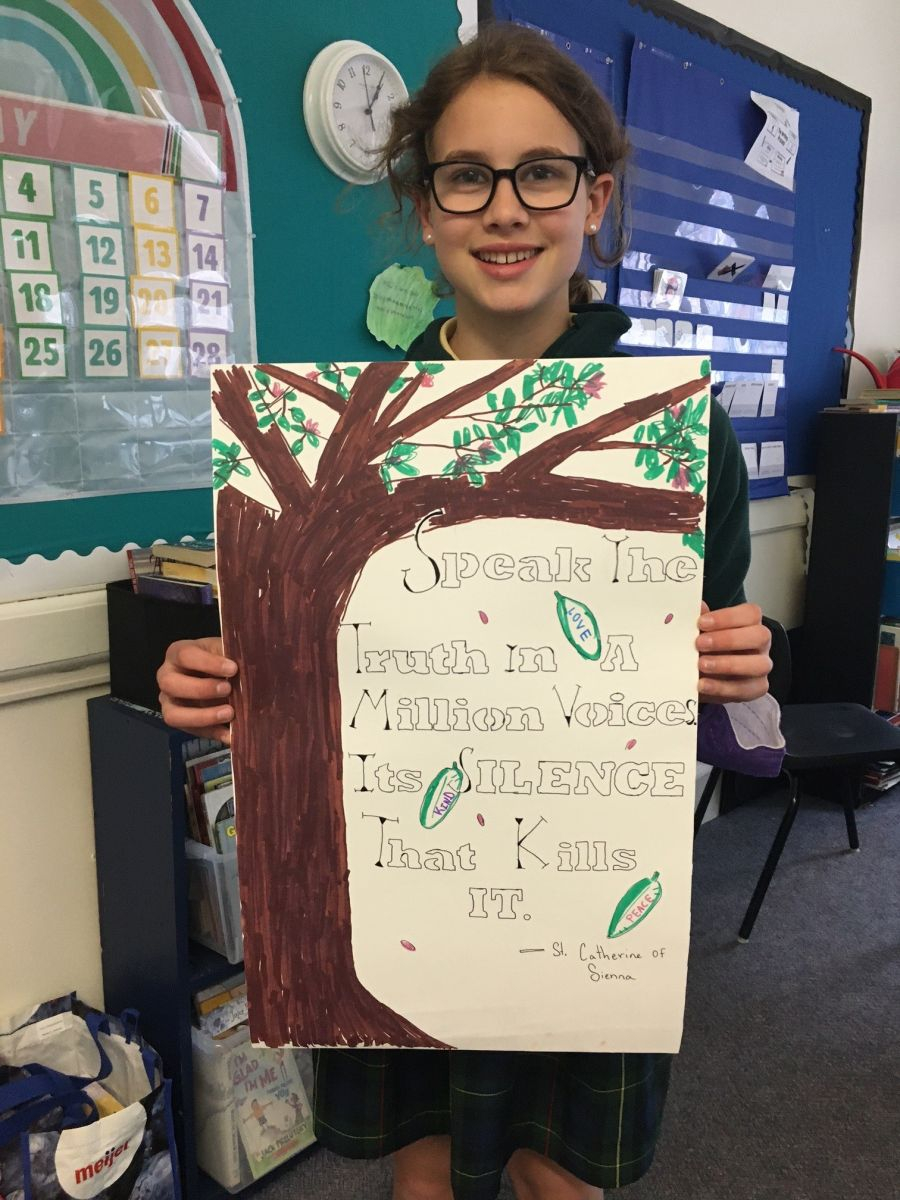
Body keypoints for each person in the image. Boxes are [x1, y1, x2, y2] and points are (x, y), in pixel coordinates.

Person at [158, 23, 772, 1200]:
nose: (505, 209)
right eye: (466, 176)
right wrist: (218, 679)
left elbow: (722, 668)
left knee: (560, 1176)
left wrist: (746, 663)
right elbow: (296, 662)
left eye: (542, 173)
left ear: (594, 198)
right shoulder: (329, 427)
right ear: (424, 206)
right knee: (420, 1170)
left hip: (585, 883)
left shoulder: (680, 428)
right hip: (398, 876)